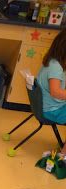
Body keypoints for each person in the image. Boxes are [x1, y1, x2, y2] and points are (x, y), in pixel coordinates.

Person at [36, 28, 66, 156]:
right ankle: (63, 155)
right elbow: (56, 92)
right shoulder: (56, 67)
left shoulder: (52, 60)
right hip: (51, 110)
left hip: (47, 106)